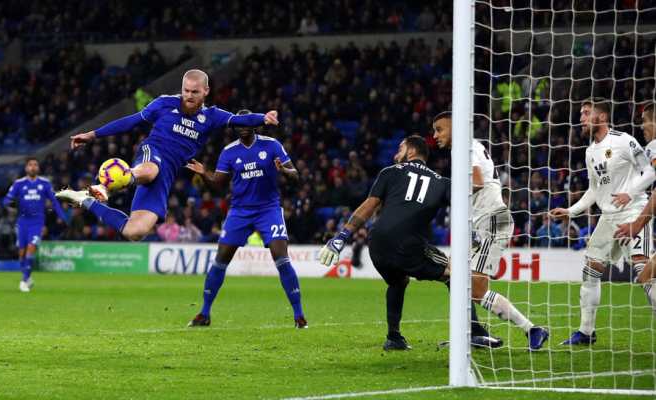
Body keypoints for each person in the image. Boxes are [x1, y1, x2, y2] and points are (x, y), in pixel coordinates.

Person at [318, 135, 505, 351]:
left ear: (412, 152)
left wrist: (341, 236)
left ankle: (394, 337)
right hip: (408, 244)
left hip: (377, 244)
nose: (396, 153)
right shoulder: (443, 183)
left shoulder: (388, 172)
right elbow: (466, 203)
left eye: (400, 148)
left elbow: (369, 206)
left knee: (397, 281)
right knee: (456, 273)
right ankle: (473, 331)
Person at [55, 70, 279, 243]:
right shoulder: (164, 103)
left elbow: (238, 121)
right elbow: (131, 121)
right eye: (186, 90)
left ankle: (84, 200)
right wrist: (93, 135)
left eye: (195, 92)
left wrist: (263, 118)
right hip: (152, 153)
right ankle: (109, 184)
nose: (189, 96)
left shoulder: (212, 116)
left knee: (136, 231)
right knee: (152, 169)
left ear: (206, 91)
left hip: (167, 174)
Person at [433, 112, 549, 350]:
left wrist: (447, 190)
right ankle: (468, 333)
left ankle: (532, 329)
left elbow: (476, 181)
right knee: (454, 275)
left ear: (455, 127)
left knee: (475, 290)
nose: (435, 135)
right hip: (481, 223)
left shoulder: (465, 147)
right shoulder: (468, 147)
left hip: (492, 220)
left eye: (439, 129)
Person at [186, 110, 307, 328]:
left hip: (268, 209)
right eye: (238, 124)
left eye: (246, 123)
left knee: (282, 258)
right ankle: (204, 313)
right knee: (221, 258)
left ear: (254, 125)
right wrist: (204, 173)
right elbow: (218, 184)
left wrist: (284, 171)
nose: (242, 126)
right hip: (239, 211)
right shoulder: (229, 152)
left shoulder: (272, 145)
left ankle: (299, 315)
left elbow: (296, 176)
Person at [551, 99, 655, 345]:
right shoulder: (589, 152)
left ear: (602, 116)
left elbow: (651, 171)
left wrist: (630, 192)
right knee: (590, 269)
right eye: (580, 114)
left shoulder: (624, 140)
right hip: (608, 218)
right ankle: (586, 332)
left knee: (645, 272)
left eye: (586, 113)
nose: (581, 118)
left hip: (633, 211)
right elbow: (593, 190)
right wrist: (571, 210)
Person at [613, 101, 656, 313]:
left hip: (639, 220)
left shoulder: (654, 147)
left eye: (645, 121)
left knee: (647, 276)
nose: (642, 126)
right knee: (646, 276)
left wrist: (638, 224)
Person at [3, 157, 68, 292]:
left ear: (38, 168)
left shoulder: (45, 183)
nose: (33, 167)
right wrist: (11, 204)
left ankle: (24, 281)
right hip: (22, 222)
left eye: (35, 165)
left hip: (37, 222)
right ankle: (27, 277)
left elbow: (54, 201)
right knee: (21, 252)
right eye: (30, 165)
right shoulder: (18, 184)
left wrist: (62, 216)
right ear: (26, 168)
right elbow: (6, 200)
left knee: (31, 248)